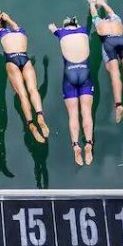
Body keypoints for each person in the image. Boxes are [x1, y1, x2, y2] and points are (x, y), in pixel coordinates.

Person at [0, 10, 48, 143]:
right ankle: (40, 115)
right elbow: (15, 25)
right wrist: (9, 18)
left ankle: (31, 124)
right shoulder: (20, 31)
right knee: (33, 90)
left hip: (11, 60)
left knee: (22, 94)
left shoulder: (2, 33)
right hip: (24, 58)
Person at [48, 17, 94, 166]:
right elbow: (77, 25)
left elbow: (52, 27)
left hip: (70, 75)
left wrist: (54, 27)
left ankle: (75, 145)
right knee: (86, 112)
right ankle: (88, 143)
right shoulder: (84, 31)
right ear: (76, 24)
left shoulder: (60, 33)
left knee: (73, 114)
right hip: (85, 73)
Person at [89, 0, 123, 122]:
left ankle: (118, 105)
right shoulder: (117, 21)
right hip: (122, 40)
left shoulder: (99, 23)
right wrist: (104, 4)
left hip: (108, 42)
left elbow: (94, 13)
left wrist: (92, 3)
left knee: (115, 74)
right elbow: (111, 12)